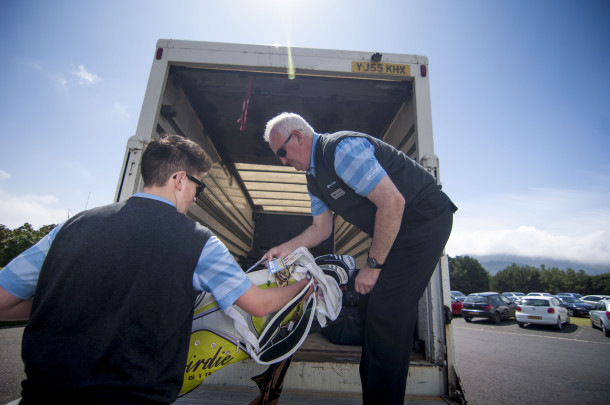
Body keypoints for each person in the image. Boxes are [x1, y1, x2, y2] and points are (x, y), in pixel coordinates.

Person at [0, 134, 311, 405]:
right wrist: (304, 285)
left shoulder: (71, 226)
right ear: (179, 180)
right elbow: (258, 305)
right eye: (197, 188)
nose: (193, 197)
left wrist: (70, 303)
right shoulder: (198, 241)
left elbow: (4, 301)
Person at [263, 112, 457, 404]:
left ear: (299, 137)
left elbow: (392, 202)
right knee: (369, 309)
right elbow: (321, 229)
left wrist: (373, 265)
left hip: (424, 223)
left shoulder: (340, 150)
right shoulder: (313, 178)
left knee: (386, 314)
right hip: (399, 231)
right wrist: (286, 248)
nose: (282, 160)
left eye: (282, 152)